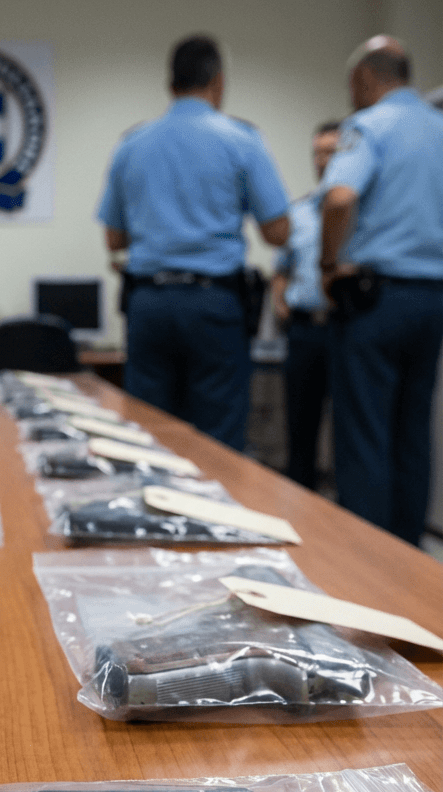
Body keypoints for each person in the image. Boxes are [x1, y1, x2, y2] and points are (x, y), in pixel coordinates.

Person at [97, 35, 290, 451]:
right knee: (217, 441)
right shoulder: (241, 139)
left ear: (170, 85)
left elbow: (114, 238)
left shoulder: (132, 144)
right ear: (218, 83)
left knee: (149, 435)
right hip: (213, 304)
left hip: (149, 304)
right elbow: (278, 232)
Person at [321, 36, 443, 546]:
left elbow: (340, 198)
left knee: (365, 435)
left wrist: (328, 263)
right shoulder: (439, 128)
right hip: (431, 299)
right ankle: (411, 557)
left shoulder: (368, 126)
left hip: (376, 301)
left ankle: (367, 560)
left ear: (367, 78)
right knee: (412, 434)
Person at [271, 122, 341, 490]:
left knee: (350, 434)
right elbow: (280, 271)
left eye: (331, 151)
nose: (323, 160)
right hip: (302, 330)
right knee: (300, 432)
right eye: (318, 152)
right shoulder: (298, 213)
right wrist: (281, 305)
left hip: (346, 329)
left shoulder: (361, 213)